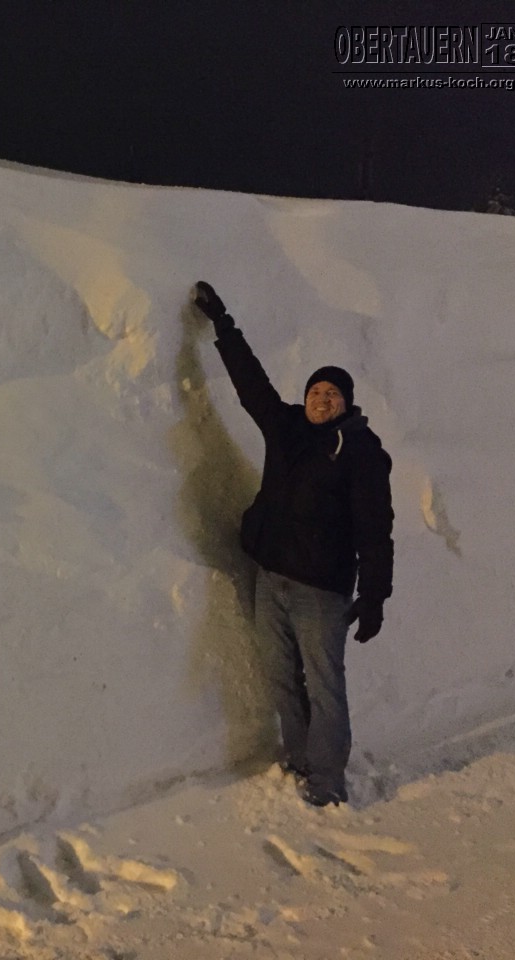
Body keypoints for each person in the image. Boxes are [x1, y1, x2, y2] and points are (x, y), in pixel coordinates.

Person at [191, 282, 393, 807]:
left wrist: (374, 595)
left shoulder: (362, 452)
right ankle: (300, 758)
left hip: (320, 592)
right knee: (282, 677)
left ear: (346, 403)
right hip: (271, 577)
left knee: (325, 688)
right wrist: (223, 325)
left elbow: (375, 529)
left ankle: (326, 780)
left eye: (332, 395)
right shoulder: (285, 427)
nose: (321, 400)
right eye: (315, 392)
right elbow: (251, 385)